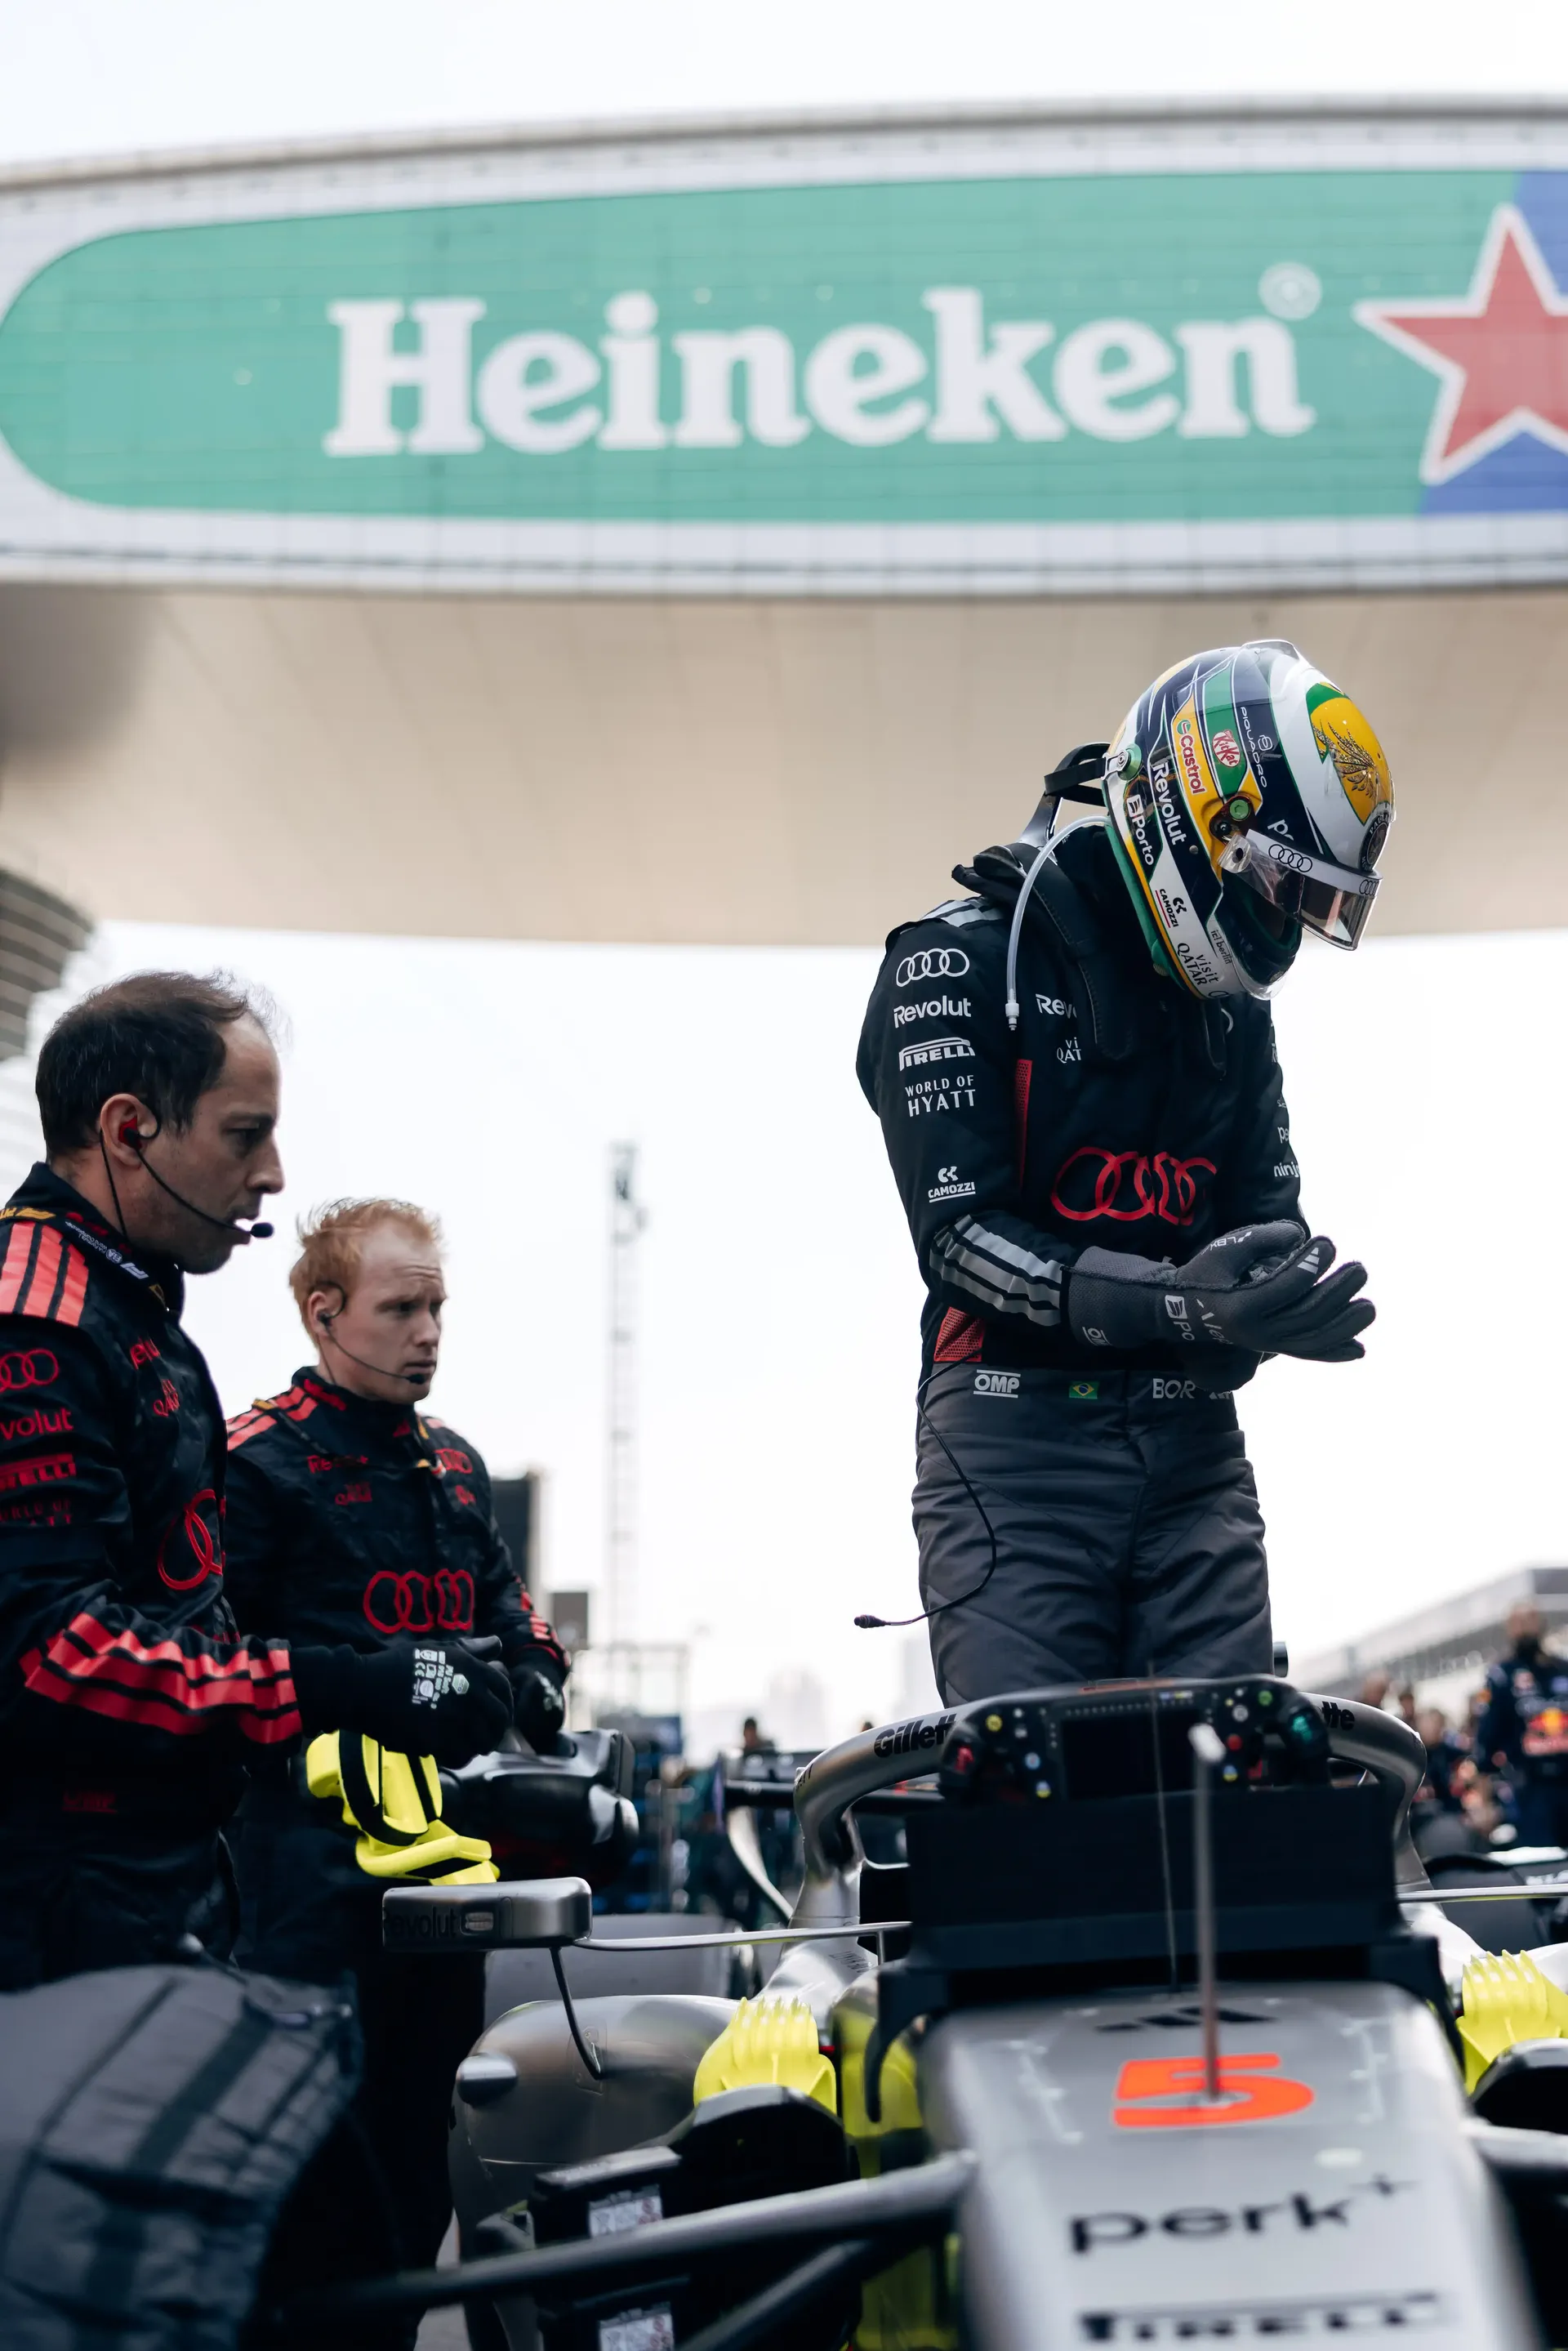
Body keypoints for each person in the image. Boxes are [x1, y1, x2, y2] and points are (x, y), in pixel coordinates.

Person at [858, 642, 1392, 1703]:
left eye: (1307, 901)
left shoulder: (1235, 1016)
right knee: (1043, 1810)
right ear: (1193, 818)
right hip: (1011, 1450)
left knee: (1229, 1798)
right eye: (1279, 886)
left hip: (1194, 1450)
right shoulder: (956, 957)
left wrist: (1269, 1303)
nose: (1282, 923)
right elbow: (961, 1240)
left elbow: (1266, 1221)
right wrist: (1183, 1304)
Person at [0, 975, 511, 1993]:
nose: (274, 1174)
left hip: (158, 1883)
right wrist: (353, 1684)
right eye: (246, 1135)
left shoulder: (131, 1309)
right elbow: (48, 1658)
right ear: (130, 1129)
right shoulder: (38, 1319)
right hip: (57, 1910)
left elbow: (188, 1617)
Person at [223, 1197, 568, 2331]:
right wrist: (382, 1676)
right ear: (327, 1312)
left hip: (439, 1893)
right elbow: (206, 1661)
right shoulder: (256, 1462)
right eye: (401, 1306)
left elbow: (521, 1628)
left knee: (422, 2181)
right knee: (313, 2197)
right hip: (297, 1899)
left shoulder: (456, 1467)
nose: (428, 1330)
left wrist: (532, 1684)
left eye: (437, 1306)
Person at [1477, 1604, 1568, 1849]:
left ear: (1541, 1624)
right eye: (1518, 1622)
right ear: (1509, 1629)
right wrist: (1484, 1802)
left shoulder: (1562, 1669)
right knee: (1543, 1862)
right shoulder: (1501, 1675)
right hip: (1532, 1788)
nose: (1525, 1628)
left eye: (1530, 1619)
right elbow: (1485, 1741)